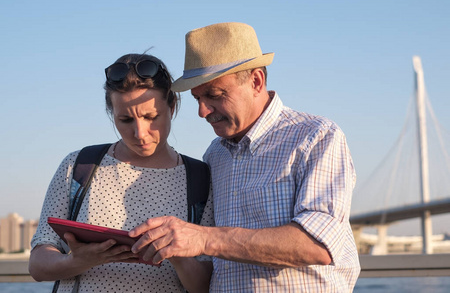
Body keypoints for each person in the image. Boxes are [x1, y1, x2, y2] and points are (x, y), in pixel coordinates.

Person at [129, 22, 361, 292]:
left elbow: (318, 244)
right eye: (197, 99)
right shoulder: (214, 155)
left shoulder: (316, 137)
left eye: (214, 95)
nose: (202, 111)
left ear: (256, 81)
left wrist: (204, 239)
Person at [29, 53, 214, 293]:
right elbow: (37, 264)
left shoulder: (201, 178)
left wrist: (176, 253)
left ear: (172, 106)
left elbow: (204, 286)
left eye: (151, 117)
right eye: (125, 119)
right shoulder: (79, 165)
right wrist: (75, 262)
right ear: (111, 113)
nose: (140, 132)